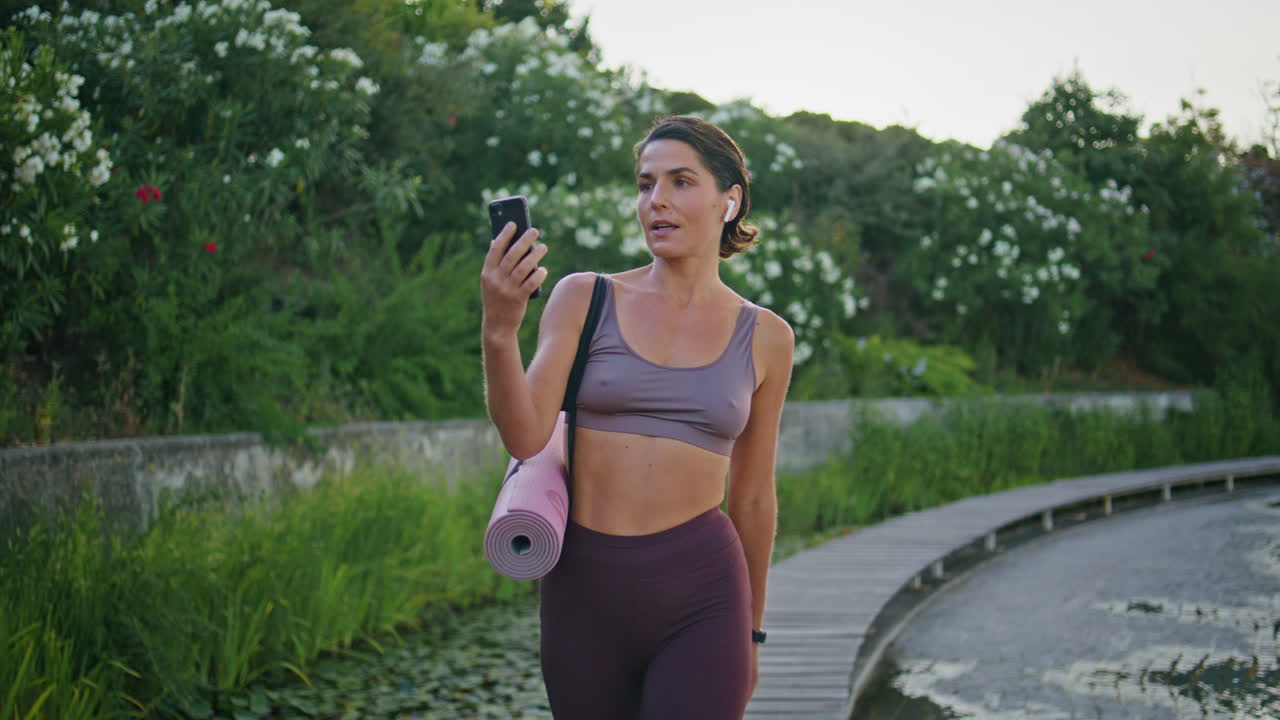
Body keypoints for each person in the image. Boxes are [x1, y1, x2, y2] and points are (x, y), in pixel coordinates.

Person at [480, 115, 795, 720]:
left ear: (730, 201)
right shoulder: (584, 298)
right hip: (583, 596)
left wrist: (751, 634)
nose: (657, 201)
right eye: (646, 184)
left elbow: (753, 498)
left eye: (681, 182)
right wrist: (500, 328)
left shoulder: (768, 338)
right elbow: (524, 434)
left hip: (704, 598)